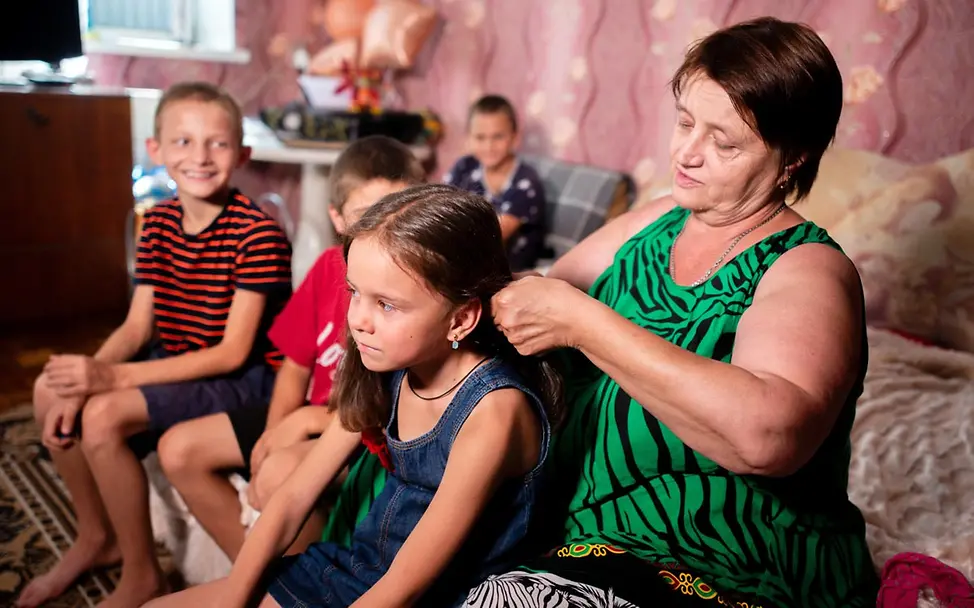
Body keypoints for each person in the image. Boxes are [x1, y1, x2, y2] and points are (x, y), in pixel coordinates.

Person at [468, 17, 879, 608]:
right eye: (685, 122)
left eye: (723, 143)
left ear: (793, 158)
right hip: (585, 539)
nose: (686, 153)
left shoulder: (808, 268)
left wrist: (584, 324)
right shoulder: (656, 220)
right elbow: (541, 302)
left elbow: (769, 437)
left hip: (729, 563)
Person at [144, 184, 564, 608]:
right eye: (354, 292)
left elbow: (404, 586)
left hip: (433, 597)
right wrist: (234, 599)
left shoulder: (494, 412)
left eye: (386, 305)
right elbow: (291, 499)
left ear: (460, 319)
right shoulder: (390, 369)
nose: (358, 319)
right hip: (355, 572)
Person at [18, 81, 293, 608]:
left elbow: (233, 352)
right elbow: (137, 328)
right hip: (175, 360)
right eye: (183, 141)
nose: (200, 156)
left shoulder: (258, 234)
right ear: (156, 149)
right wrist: (87, 375)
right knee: (50, 390)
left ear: (242, 154)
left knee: (103, 417)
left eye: (217, 143)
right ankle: (95, 537)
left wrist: (112, 379)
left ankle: (142, 574)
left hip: (236, 379)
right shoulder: (159, 222)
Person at [156, 135, 426, 560]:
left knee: (280, 471)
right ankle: (253, 573)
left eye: (397, 215)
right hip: (310, 415)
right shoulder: (326, 268)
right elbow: (295, 365)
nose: (382, 231)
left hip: (364, 435)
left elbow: (389, 407)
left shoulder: (414, 291)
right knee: (179, 449)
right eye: (366, 217)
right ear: (337, 218)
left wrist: (301, 423)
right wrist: (273, 432)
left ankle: (296, 581)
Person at [445, 94, 547, 272]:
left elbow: (492, 236)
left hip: (510, 269)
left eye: (498, 137)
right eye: (480, 137)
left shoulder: (526, 182)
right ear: (469, 138)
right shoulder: (464, 167)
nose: (489, 146)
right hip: (466, 255)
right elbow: (442, 207)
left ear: (515, 138)